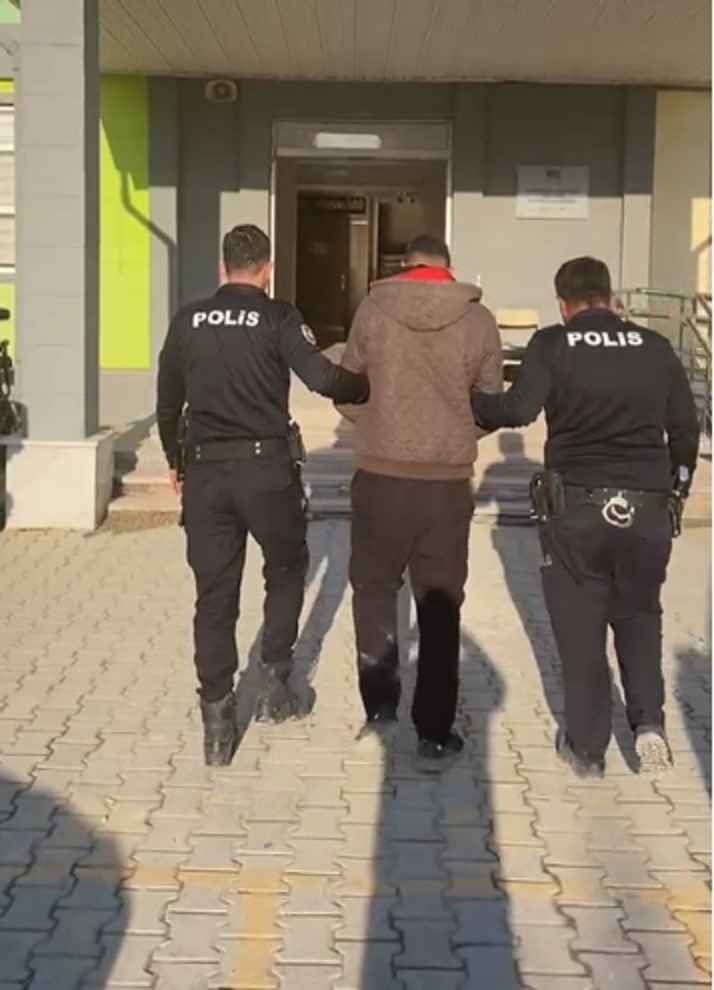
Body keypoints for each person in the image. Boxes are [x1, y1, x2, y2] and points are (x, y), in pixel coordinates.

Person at [471, 256, 700, 778]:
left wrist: (476, 404)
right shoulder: (655, 347)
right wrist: (677, 489)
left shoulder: (553, 343)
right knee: (639, 615)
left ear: (562, 304)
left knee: (581, 625)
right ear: (610, 297)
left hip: (578, 508)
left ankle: (588, 747)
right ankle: (648, 724)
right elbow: (685, 431)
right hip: (646, 508)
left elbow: (518, 410)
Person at [156, 225, 369, 766]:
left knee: (214, 595)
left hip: (206, 476)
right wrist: (368, 385)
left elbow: (167, 400)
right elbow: (324, 379)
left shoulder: (188, 320)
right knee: (287, 570)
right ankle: (275, 684)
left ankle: (217, 719)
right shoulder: (279, 317)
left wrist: (173, 459)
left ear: (222, 267)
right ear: (268, 270)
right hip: (267, 473)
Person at [339, 233, 503, 771]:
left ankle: (380, 711)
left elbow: (348, 387)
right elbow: (490, 404)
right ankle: (433, 734)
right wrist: (455, 434)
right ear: (447, 268)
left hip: (380, 477)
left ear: (405, 265)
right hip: (446, 484)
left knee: (373, 591)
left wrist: (376, 426)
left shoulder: (372, 309)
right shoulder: (478, 319)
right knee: (439, 605)